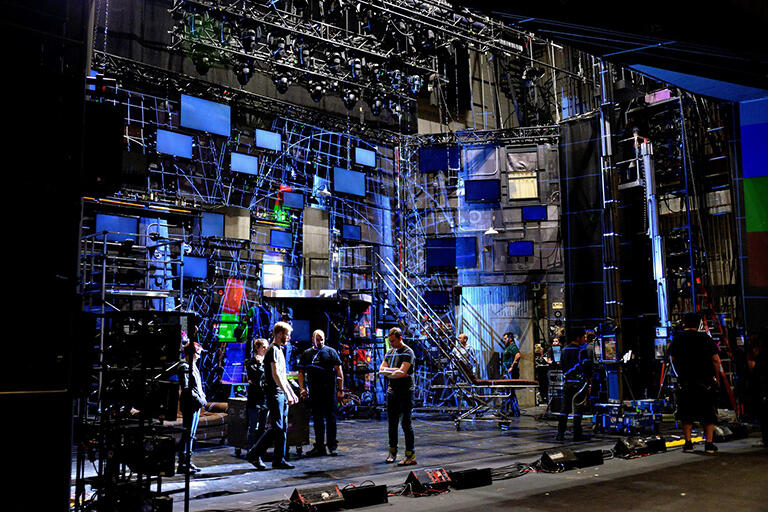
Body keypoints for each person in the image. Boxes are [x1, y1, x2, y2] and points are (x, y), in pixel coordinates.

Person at [247, 322, 299, 470]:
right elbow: (276, 375)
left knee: (282, 427)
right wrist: (287, 393)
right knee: (276, 426)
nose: (289, 337)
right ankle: (254, 453)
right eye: (287, 334)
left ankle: (279, 459)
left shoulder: (280, 350)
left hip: (280, 393)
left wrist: (290, 392)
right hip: (274, 393)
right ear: (279, 334)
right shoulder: (273, 350)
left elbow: (283, 376)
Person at [668, 312, 722, 454]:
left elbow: (672, 359)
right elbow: (716, 360)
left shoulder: (677, 339)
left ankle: (688, 443)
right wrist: (717, 378)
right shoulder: (705, 338)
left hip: (685, 380)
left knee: (686, 412)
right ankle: (709, 443)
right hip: (705, 381)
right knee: (708, 412)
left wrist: (678, 374)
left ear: (684, 323)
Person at [298, 329, 344, 457]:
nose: (320, 342)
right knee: (317, 420)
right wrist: (302, 388)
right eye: (317, 339)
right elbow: (301, 372)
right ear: (313, 339)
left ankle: (332, 446)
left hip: (329, 392)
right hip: (315, 392)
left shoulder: (331, 352)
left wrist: (340, 390)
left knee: (331, 419)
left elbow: (339, 372)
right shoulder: (307, 353)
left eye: (322, 339)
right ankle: (319, 446)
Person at [379, 327, 416, 466]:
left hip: (406, 392)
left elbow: (402, 373)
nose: (392, 344)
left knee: (406, 424)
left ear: (400, 338)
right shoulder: (389, 352)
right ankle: (392, 452)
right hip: (392, 392)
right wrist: (394, 371)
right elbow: (381, 370)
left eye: (393, 341)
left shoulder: (408, 352)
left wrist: (390, 372)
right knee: (392, 424)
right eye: (390, 341)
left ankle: (410, 455)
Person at [556, 327, 590, 442]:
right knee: (578, 409)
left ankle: (560, 434)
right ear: (578, 338)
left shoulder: (564, 350)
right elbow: (587, 367)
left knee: (564, 409)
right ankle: (577, 434)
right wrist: (589, 382)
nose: (585, 340)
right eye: (584, 337)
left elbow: (562, 367)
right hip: (579, 384)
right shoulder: (581, 351)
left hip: (567, 383)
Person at [178, 338, 207, 474]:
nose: (200, 355)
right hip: (190, 404)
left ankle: (187, 461)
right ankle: (184, 462)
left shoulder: (193, 365)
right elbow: (187, 388)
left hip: (195, 404)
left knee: (191, 434)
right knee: (188, 434)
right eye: (198, 352)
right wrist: (201, 400)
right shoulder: (185, 366)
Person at [245, 338, 269, 456]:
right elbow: (255, 379)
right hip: (254, 399)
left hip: (265, 399)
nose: (265, 349)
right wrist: (259, 365)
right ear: (257, 348)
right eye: (263, 347)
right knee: (253, 427)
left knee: (263, 427)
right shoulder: (251, 363)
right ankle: (251, 450)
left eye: (266, 347)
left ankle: (260, 450)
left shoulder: (268, 362)